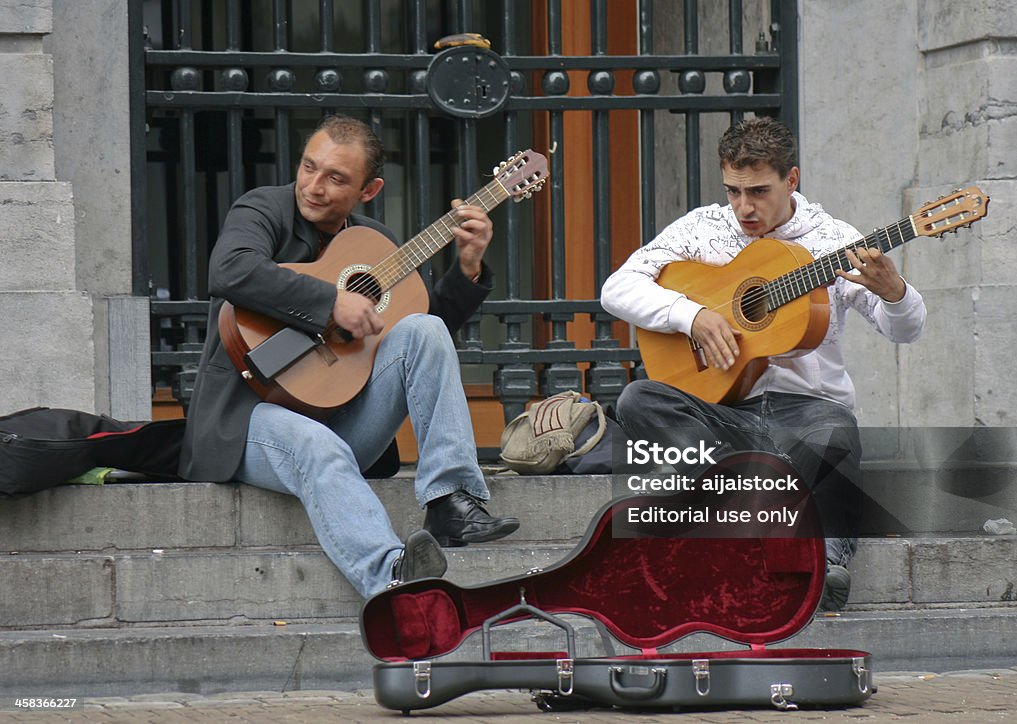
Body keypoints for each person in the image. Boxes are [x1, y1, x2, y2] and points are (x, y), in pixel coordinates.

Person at [178, 113, 519, 599]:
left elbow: (420, 328)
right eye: (309, 167)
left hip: (343, 413)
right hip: (248, 419)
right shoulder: (262, 209)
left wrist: (467, 267)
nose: (314, 186)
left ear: (369, 190)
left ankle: (450, 497)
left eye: (336, 178)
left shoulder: (370, 242)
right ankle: (391, 576)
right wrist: (329, 303)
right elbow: (230, 271)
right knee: (317, 445)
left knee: (425, 330)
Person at [600, 117, 926, 611]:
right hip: (726, 416)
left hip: (806, 414)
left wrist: (896, 293)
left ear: (791, 180)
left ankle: (824, 566)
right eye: (733, 191)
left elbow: (904, 329)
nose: (743, 208)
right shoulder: (701, 229)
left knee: (836, 429)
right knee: (639, 398)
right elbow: (616, 289)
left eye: (758, 191)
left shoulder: (832, 240)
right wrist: (692, 316)